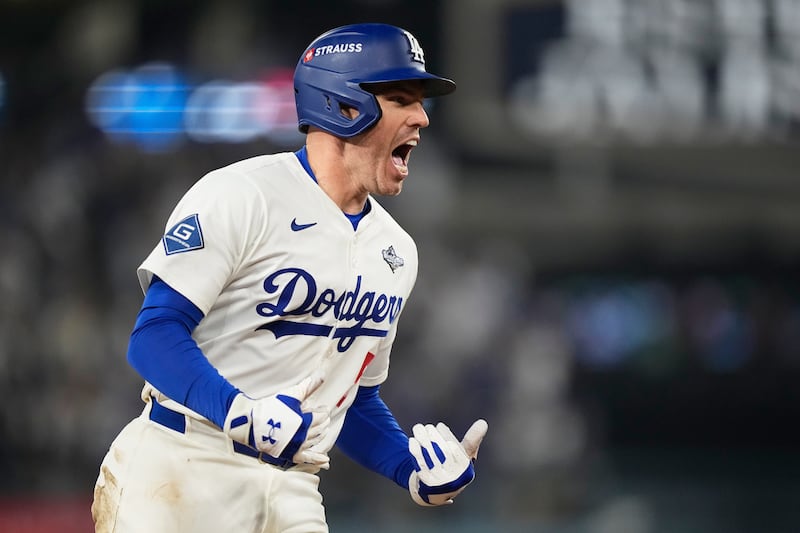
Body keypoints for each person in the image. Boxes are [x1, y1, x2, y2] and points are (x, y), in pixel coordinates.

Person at [91, 22, 488, 533]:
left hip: (296, 487)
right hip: (184, 466)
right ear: (344, 104)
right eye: (400, 98)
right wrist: (240, 413)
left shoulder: (397, 252)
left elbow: (352, 399)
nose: (421, 117)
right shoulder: (243, 195)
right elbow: (154, 335)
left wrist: (411, 469)